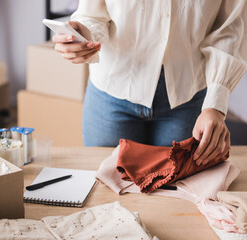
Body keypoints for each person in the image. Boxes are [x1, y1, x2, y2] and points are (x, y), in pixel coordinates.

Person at [52, 0, 247, 166]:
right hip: (112, 93)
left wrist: (215, 105)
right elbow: (93, 15)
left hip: (187, 98)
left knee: (173, 200)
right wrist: (83, 35)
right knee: (105, 194)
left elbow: (230, 29)